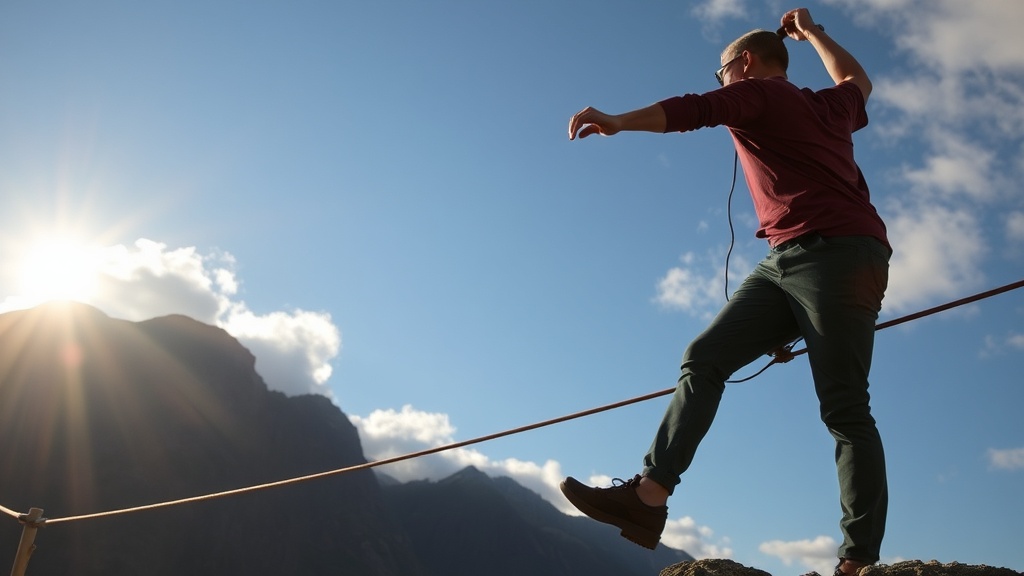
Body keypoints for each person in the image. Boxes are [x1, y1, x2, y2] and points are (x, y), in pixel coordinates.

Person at [559, 8, 889, 576]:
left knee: (844, 408)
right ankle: (646, 499)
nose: (721, 84)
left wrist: (617, 120)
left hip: (835, 254)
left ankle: (857, 561)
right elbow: (858, 82)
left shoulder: (759, 92)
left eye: (722, 74)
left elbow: (696, 110)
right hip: (788, 260)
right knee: (706, 356)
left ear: (742, 65)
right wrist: (814, 33)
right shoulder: (828, 106)